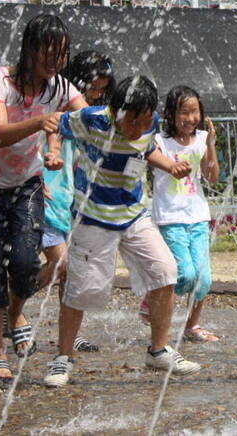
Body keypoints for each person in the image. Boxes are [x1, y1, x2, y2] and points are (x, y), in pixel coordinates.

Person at [43, 76, 201, 388]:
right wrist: (54, 152)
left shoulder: (149, 121)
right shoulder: (92, 118)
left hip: (132, 213)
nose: (138, 129)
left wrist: (169, 166)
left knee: (166, 271)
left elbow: (147, 148)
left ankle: (158, 350)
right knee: (81, 289)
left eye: (145, 121)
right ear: (116, 110)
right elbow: (56, 125)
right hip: (93, 217)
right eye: (132, 122)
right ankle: (62, 358)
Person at [0, 14, 85, 382]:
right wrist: (43, 122)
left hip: (26, 185)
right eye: (50, 52)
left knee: (28, 266)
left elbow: (89, 116)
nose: (55, 61)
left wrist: (124, 120)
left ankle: (15, 312)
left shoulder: (60, 86)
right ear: (30, 47)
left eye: (62, 54)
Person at [38, 51, 115, 354]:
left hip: (70, 199)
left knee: (69, 272)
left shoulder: (90, 114)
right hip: (45, 195)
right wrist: (38, 174)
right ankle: (13, 300)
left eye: (101, 89)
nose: (96, 95)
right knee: (62, 264)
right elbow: (47, 141)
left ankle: (69, 335)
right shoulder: (54, 106)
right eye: (93, 87)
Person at [144, 85, 220, 342]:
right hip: (170, 218)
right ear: (171, 114)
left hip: (197, 216)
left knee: (204, 279)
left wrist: (210, 145)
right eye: (184, 112)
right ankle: (152, 297)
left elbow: (212, 176)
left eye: (195, 111)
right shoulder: (159, 142)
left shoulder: (201, 140)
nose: (190, 118)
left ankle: (192, 326)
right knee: (186, 274)